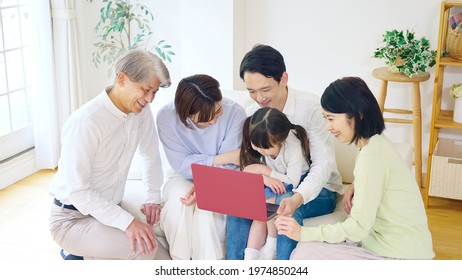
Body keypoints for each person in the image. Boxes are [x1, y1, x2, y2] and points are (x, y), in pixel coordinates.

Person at [275, 76, 435, 260]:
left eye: (332, 118)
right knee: (305, 252)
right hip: (399, 248)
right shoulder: (375, 143)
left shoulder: (371, 156)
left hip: (399, 256)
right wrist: (357, 184)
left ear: (357, 114)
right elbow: (376, 176)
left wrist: (303, 233)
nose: (328, 127)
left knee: (304, 254)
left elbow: (358, 228)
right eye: (325, 118)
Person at [49, 49, 172, 260]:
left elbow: (150, 155)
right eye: (146, 89)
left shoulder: (139, 113)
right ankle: (76, 253)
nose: (150, 99)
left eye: (155, 92)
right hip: (72, 218)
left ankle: (84, 255)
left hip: (108, 210)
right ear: (122, 78)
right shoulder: (86, 122)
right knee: (145, 250)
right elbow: (78, 191)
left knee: (164, 261)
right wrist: (128, 223)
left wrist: (153, 197)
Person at [226, 44, 344, 260]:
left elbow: (323, 164)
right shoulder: (253, 114)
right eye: (251, 91)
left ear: (283, 79)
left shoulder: (309, 108)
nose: (259, 98)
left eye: (265, 89)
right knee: (238, 206)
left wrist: (297, 198)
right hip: (275, 185)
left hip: (320, 189)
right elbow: (248, 160)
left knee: (286, 208)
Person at [156, 74, 247, 260]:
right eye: (205, 120)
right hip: (181, 177)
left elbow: (232, 163)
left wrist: (206, 183)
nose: (214, 121)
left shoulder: (235, 112)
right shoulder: (166, 117)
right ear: (185, 115)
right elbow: (182, 165)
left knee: (207, 211)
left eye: (218, 112)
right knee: (180, 204)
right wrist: (218, 158)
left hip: (223, 178)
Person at [240, 107, 311, 260]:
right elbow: (248, 170)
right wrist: (265, 178)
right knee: (257, 209)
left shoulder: (292, 147)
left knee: (269, 204)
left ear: (281, 141)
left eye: (266, 148)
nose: (261, 151)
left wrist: (265, 171)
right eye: (256, 145)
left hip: (296, 183)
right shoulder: (261, 142)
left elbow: (293, 181)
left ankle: (271, 245)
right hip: (275, 182)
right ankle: (249, 256)